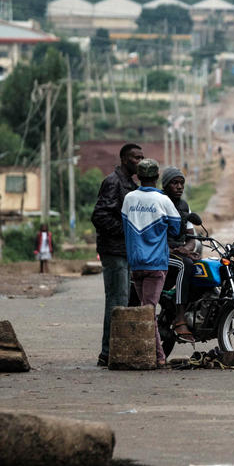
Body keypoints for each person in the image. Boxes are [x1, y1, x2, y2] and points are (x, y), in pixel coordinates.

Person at [121, 159, 181, 367]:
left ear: (138, 176)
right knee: (149, 311)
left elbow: (125, 226)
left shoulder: (129, 199)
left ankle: (149, 353)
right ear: (156, 178)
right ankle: (158, 356)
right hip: (156, 263)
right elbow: (175, 229)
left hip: (136, 263)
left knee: (144, 309)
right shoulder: (163, 200)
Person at [91, 142, 143, 367]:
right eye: (135, 158)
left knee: (125, 301)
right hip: (114, 252)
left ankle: (115, 350)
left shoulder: (130, 184)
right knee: (117, 300)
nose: (139, 162)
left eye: (142, 158)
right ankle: (108, 352)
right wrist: (127, 232)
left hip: (125, 252)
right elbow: (100, 216)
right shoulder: (113, 182)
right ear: (124, 159)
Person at [161, 167, 198, 344]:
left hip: (179, 252)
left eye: (181, 183)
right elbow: (154, 234)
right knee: (186, 265)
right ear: (165, 185)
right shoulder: (159, 202)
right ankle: (180, 317)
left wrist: (188, 249)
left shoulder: (184, 205)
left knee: (201, 267)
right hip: (161, 252)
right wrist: (175, 250)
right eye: (174, 183)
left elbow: (192, 236)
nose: (179, 187)